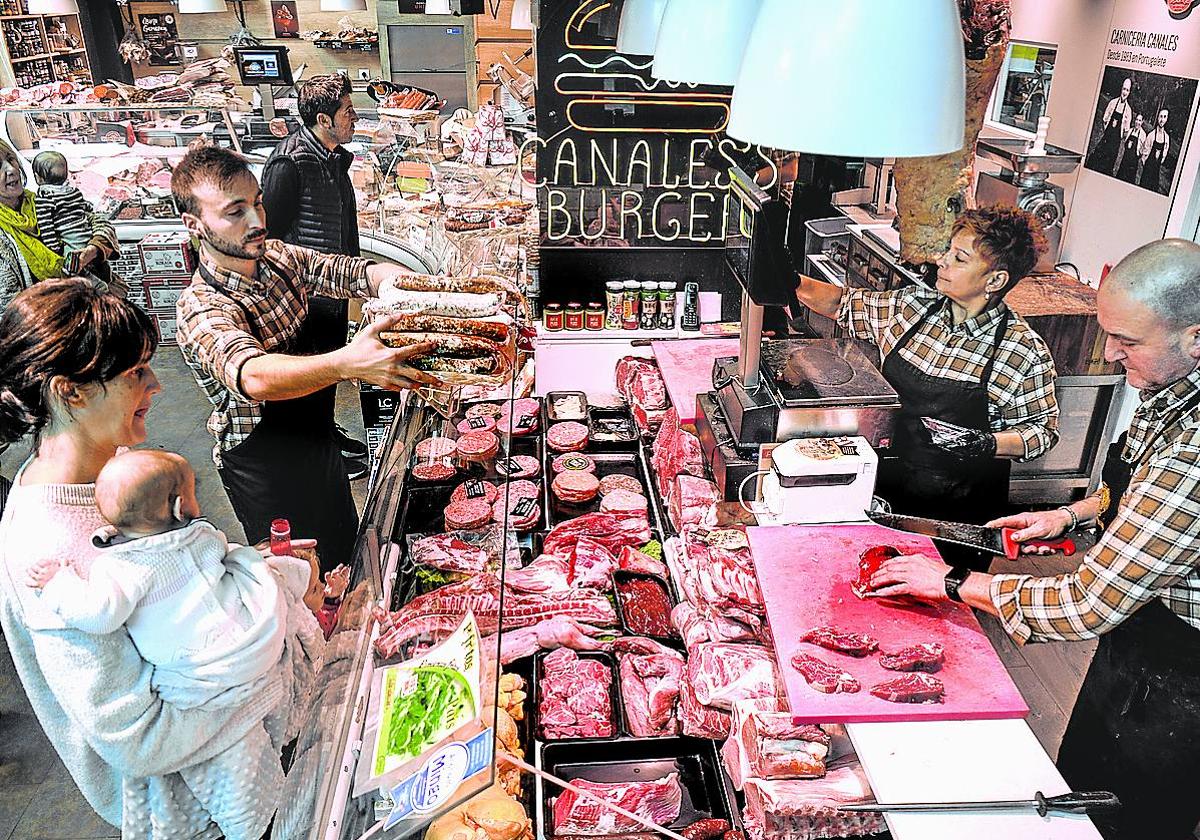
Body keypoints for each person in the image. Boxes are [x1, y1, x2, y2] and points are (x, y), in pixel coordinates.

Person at [866, 238, 1200, 840]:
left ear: (1195, 337)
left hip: (1185, 668)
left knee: (1136, 818)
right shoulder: (1173, 392)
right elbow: (1138, 489)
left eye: (1128, 340)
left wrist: (950, 582)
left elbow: (1083, 604)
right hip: (1140, 629)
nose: (1109, 353)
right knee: (1082, 795)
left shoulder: (1196, 453)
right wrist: (1071, 515)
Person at [0, 279, 317, 838]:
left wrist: (254, 580)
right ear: (69, 392)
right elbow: (137, 736)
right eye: (134, 373)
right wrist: (272, 653)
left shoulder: (117, 470)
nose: (156, 385)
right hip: (200, 804)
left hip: (249, 747)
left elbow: (171, 592)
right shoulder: (45, 551)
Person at [172, 145, 437, 573]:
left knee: (347, 562)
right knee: (301, 581)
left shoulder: (278, 258)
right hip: (266, 472)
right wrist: (347, 362)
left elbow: (354, 273)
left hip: (318, 444)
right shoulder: (201, 308)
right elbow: (254, 375)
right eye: (235, 212)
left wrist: (415, 287)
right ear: (195, 224)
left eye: (257, 202)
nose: (257, 221)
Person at [794, 205, 1059, 570]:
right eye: (948, 251)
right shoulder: (912, 309)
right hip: (882, 491)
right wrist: (787, 281)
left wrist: (986, 444)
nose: (942, 261)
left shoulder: (1022, 351)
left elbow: (1042, 434)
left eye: (959, 258)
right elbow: (842, 303)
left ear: (995, 281)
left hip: (955, 518)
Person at [27, 448, 309, 709]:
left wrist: (57, 585)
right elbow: (229, 557)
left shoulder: (119, 567)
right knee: (250, 565)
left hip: (201, 677)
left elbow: (98, 614)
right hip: (257, 648)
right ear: (179, 507)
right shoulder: (205, 537)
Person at [261, 73, 368, 479]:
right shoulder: (289, 161)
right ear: (324, 118)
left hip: (336, 283)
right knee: (311, 367)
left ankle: (326, 432)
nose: (355, 117)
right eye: (348, 111)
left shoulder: (335, 156)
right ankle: (317, 451)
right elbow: (270, 233)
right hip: (306, 291)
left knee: (330, 364)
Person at [0, 140, 120, 290]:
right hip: (50, 308)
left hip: (94, 299)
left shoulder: (39, 199)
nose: (11, 169)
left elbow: (99, 222)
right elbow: (9, 301)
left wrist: (93, 249)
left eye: (10, 159)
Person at [1088, 77, 1132, 174]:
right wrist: (1107, 130)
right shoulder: (1112, 103)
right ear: (1121, 89)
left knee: (1108, 164)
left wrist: (1121, 136)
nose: (1125, 92)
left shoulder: (1128, 111)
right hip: (1106, 138)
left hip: (1115, 142)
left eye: (1127, 90)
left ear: (1129, 92)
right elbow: (1105, 119)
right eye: (1124, 89)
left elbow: (1126, 130)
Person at [1138, 107, 1170, 193]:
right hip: (1147, 171)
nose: (1162, 120)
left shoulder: (1166, 138)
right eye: (1160, 117)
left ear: (1166, 119)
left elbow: (1163, 156)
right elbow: (1144, 154)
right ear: (1158, 118)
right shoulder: (1151, 135)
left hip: (1155, 174)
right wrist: (1146, 166)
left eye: (1164, 117)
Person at [1114, 112, 1145, 184]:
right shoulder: (1130, 130)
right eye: (1136, 120)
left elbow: (1142, 152)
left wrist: (1139, 152)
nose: (1137, 122)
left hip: (1133, 164)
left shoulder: (1143, 135)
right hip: (1124, 160)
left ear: (1142, 122)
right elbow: (1125, 143)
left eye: (1140, 120)